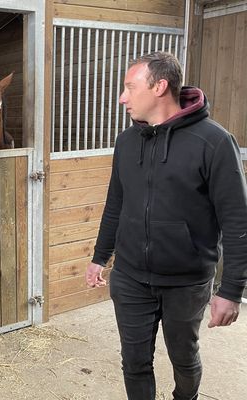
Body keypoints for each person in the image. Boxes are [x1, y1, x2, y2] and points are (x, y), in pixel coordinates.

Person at [86, 51, 247, 400]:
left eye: (130, 87)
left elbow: (237, 220)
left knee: (184, 359)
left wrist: (231, 291)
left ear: (159, 86)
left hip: (186, 282)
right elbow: (116, 203)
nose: (122, 97)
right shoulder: (127, 142)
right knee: (134, 362)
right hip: (130, 278)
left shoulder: (215, 142)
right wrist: (100, 256)